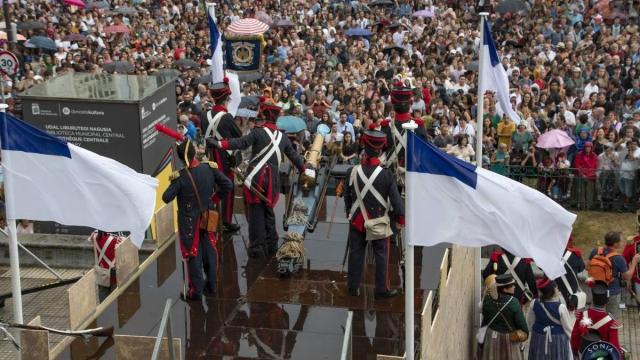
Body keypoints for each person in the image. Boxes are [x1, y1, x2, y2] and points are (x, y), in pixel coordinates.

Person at [213, 97, 307, 258]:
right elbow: (295, 158)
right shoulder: (283, 138)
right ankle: (271, 244)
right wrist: (305, 170)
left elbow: (241, 143)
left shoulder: (257, 132)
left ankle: (257, 247)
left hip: (256, 178)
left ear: (265, 117)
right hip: (273, 182)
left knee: (256, 212)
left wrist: (221, 144)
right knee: (268, 210)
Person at [161, 133, 233, 301]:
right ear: (194, 153)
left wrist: (173, 182)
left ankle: (196, 290)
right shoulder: (209, 168)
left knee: (193, 254)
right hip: (208, 215)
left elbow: (166, 197)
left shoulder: (180, 177)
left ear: (181, 158)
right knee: (210, 248)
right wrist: (214, 198)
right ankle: (212, 285)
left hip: (189, 222)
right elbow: (227, 185)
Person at [343, 130, 404, 299]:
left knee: (355, 254)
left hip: (357, 220)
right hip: (379, 221)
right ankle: (382, 289)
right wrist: (401, 218)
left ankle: (353, 287)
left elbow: (347, 198)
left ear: (364, 146)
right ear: (380, 149)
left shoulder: (352, 171)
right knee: (382, 255)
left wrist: (349, 212)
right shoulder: (386, 174)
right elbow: (396, 201)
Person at [200, 77, 243, 233]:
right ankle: (226, 220)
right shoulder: (227, 118)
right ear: (225, 99)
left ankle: (211, 217)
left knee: (212, 188)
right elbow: (239, 136)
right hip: (224, 158)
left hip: (209, 155)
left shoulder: (204, 115)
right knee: (227, 188)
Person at [588, 231, 640, 319]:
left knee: (596, 316)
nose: (622, 242)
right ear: (616, 244)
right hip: (613, 292)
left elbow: (587, 267)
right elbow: (627, 277)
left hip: (597, 290)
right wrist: (634, 262)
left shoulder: (596, 251)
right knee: (612, 319)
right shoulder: (619, 258)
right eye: (621, 241)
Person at [480, 273, 529, 360]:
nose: (514, 287)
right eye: (512, 286)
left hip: (491, 338)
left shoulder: (487, 299)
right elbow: (522, 327)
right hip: (508, 340)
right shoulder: (513, 303)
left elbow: (486, 318)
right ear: (505, 289)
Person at [570, 281, 623, 357]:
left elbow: (575, 336)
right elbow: (614, 346)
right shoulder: (611, 322)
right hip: (601, 356)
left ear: (592, 300)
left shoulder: (582, 314)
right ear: (606, 303)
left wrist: (575, 352)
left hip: (583, 354)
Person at [527, 278, 573, 360]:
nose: (558, 290)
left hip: (538, 338)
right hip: (557, 340)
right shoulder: (560, 307)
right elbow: (568, 328)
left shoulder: (534, 303)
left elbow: (530, 323)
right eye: (557, 288)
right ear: (553, 291)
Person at [555, 235, 586, 310]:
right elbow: (581, 268)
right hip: (571, 292)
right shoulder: (575, 255)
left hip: (554, 292)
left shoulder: (551, 254)